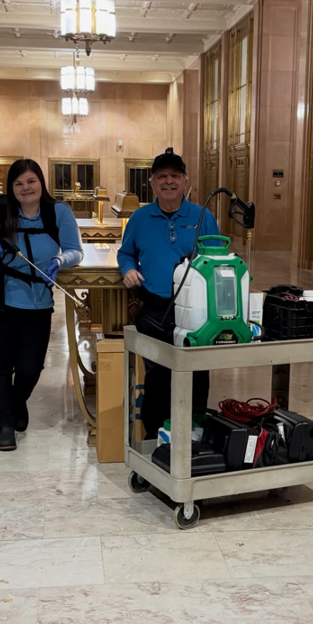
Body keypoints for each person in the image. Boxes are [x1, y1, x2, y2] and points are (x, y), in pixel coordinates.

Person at [0, 159, 83, 451]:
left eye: (31, 181)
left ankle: (16, 401)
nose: (25, 188)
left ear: (41, 183)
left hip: (38, 303)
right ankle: (5, 424)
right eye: (18, 183)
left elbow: (75, 251)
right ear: (11, 187)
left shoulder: (59, 212)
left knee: (30, 368)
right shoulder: (3, 213)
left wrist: (60, 260)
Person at [117, 147, 219, 438]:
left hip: (196, 309)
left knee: (197, 371)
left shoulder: (202, 216)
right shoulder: (140, 218)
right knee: (159, 372)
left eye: (175, 176)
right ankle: (155, 435)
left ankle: (194, 432)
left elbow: (215, 256)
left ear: (186, 181)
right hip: (155, 307)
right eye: (162, 176)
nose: (169, 181)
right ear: (152, 183)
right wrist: (128, 269)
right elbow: (125, 253)